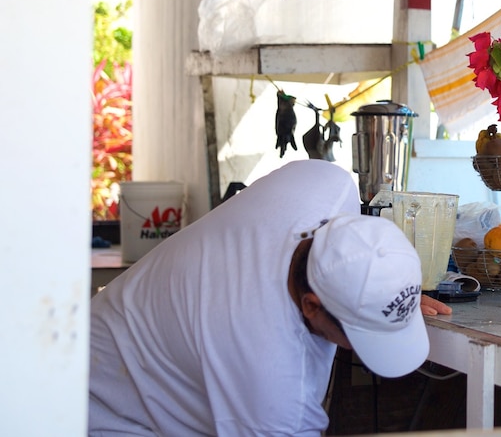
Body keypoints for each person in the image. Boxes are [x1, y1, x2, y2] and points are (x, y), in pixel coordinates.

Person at [89, 160, 451, 435]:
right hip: (104, 412)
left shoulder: (329, 184)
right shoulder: (275, 384)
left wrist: (383, 296)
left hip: (118, 336)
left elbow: (362, 255)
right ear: (311, 305)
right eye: (357, 337)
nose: (357, 349)